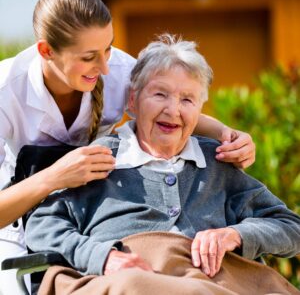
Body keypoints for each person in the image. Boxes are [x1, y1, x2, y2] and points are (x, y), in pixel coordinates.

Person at [25, 35, 300, 295]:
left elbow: (291, 227)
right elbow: (43, 225)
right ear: (133, 101)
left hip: (215, 282)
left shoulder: (217, 163)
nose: (173, 110)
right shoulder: (99, 159)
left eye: (187, 99)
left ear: (200, 110)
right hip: (130, 283)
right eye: (160, 95)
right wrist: (102, 257)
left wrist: (236, 234)